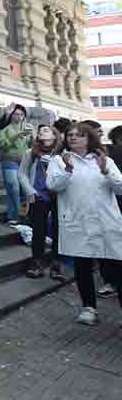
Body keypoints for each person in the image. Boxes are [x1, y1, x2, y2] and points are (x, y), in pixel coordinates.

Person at [46, 122, 122, 326]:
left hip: (106, 220)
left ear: (89, 138)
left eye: (79, 135)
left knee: (117, 267)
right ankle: (89, 308)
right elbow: (53, 186)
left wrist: (107, 170)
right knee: (83, 267)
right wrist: (68, 170)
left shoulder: (103, 159)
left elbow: (120, 188)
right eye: (70, 135)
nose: (73, 138)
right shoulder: (58, 160)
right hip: (77, 220)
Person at [19, 124, 63, 279]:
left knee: (59, 230)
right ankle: (37, 263)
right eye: (40, 131)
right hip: (39, 196)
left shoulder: (62, 153)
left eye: (46, 130)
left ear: (55, 135)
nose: (41, 132)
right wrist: (30, 190)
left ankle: (56, 264)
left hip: (60, 196)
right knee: (39, 231)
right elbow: (22, 173)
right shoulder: (31, 152)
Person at [0, 104, 32, 225]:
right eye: (16, 114)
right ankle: (13, 216)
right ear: (11, 115)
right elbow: (2, 144)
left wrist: (33, 137)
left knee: (23, 189)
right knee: (13, 187)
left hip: (25, 161)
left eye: (21, 114)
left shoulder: (28, 127)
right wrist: (16, 136)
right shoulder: (4, 129)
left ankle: (23, 214)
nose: (19, 116)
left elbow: (32, 145)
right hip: (9, 160)